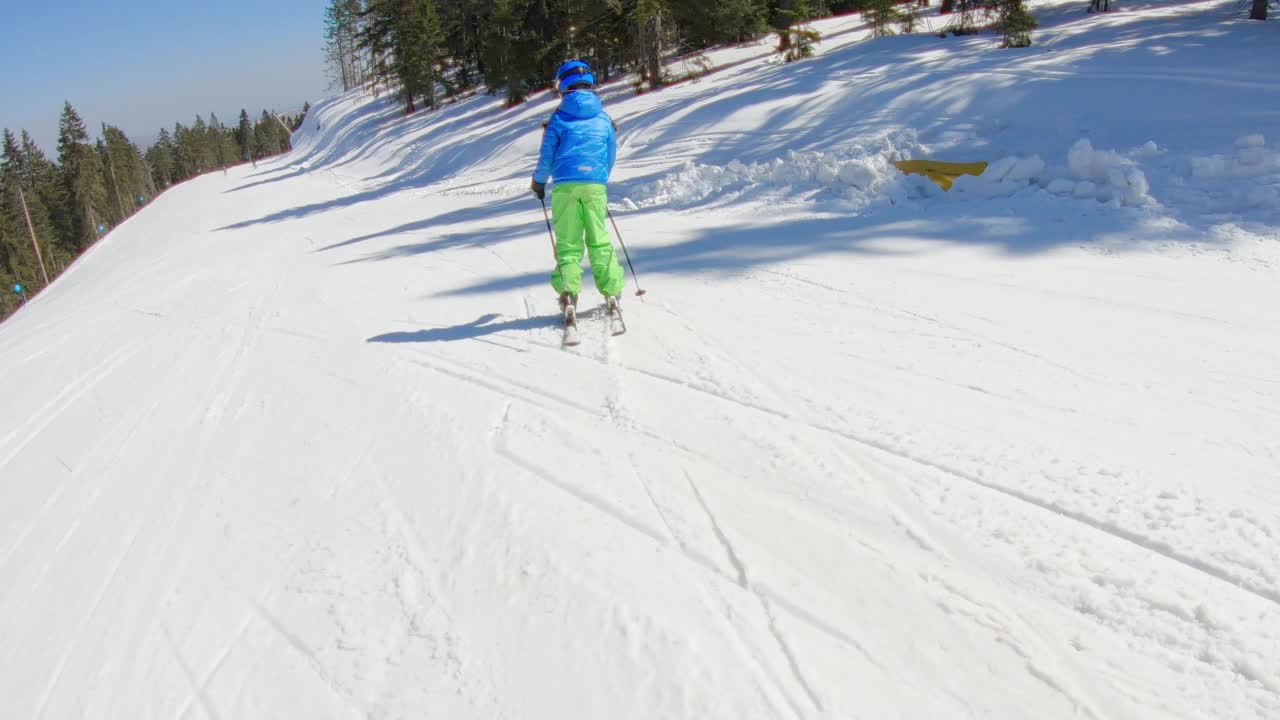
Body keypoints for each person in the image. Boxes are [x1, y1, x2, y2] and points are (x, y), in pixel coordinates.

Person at [531, 60, 624, 318]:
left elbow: (547, 156)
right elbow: (610, 154)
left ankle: (569, 293)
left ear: (562, 85)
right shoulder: (604, 119)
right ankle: (612, 292)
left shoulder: (558, 118)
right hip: (594, 184)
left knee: (569, 242)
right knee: (599, 239)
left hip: (565, 186)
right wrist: (599, 177)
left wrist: (539, 182)